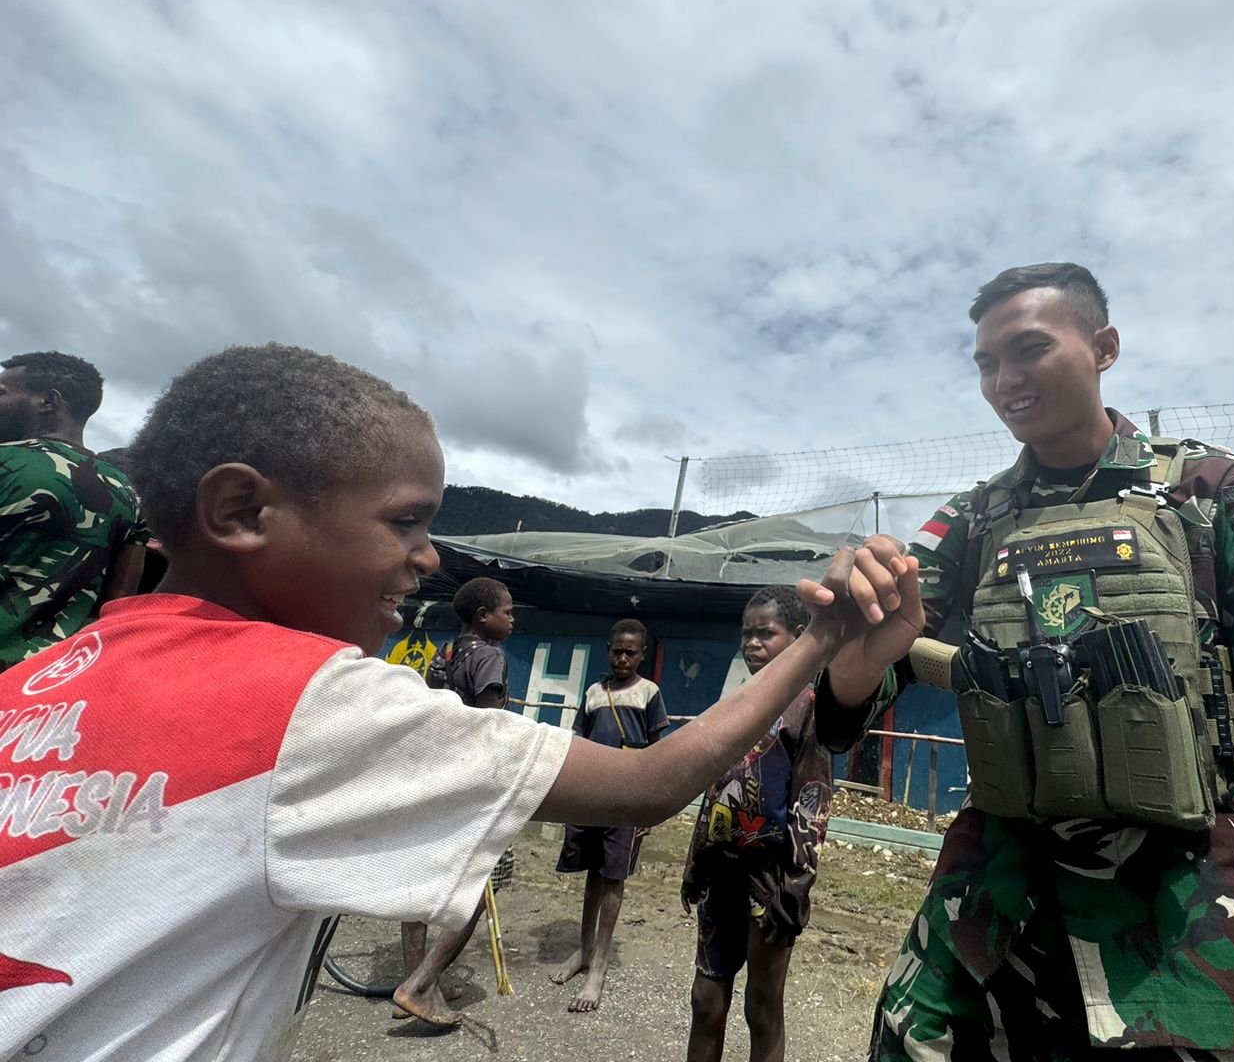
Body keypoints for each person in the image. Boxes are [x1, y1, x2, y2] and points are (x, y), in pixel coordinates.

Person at [0, 343, 924, 1061]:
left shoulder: (39, 676)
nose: (432, 555)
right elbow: (649, 783)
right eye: (405, 520)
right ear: (242, 512)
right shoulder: (314, 702)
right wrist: (820, 638)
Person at [815, 264, 1234, 1061]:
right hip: (987, 921)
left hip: (1186, 932)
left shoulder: (1212, 492)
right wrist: (854, 657)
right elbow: (851, 710)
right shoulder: (972, 519)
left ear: (1104, 347)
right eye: (985, 362)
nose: (1005, 379)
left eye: (1029, 349)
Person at [681, 585, 833, 1062]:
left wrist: (798, 883)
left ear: (798, 636)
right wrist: (694, 861)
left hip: (770, 879)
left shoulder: (810, 707)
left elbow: (813, 799)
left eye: (766, 634)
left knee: (761, 1007)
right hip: (719, 869)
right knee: (705, 1001)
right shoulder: (734, 702)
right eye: (746, 634)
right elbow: (714, 790)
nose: (752, 643)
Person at [393, 576, 516, 1023]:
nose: (512, 618)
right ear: (484, 617)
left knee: (421, 888)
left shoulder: (444, 656)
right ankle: (420, 985)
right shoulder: (490, 658)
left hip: (434, 782)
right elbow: (488, 728)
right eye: (507, 611)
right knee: (478, 889)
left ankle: (417, 981)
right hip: (472, 789)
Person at [548, 618, 669, 1012]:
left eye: (630, 652)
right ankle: (583, 951)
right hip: (591, 797)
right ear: (608, 649)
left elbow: (656, 753)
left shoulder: (649, 693)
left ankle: (599, 966)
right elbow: (579, 743)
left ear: (642, 655)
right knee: (592, 876)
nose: (622, 658)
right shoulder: (594, 691)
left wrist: (650, 805)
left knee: (614, 877)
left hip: (626, 799)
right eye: (616, 650)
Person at [0, 351, 146, 670]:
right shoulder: (128, 493)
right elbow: (117, 605)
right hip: (43, 685)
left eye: (2, 392)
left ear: (48, 401)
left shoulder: (6, 463)